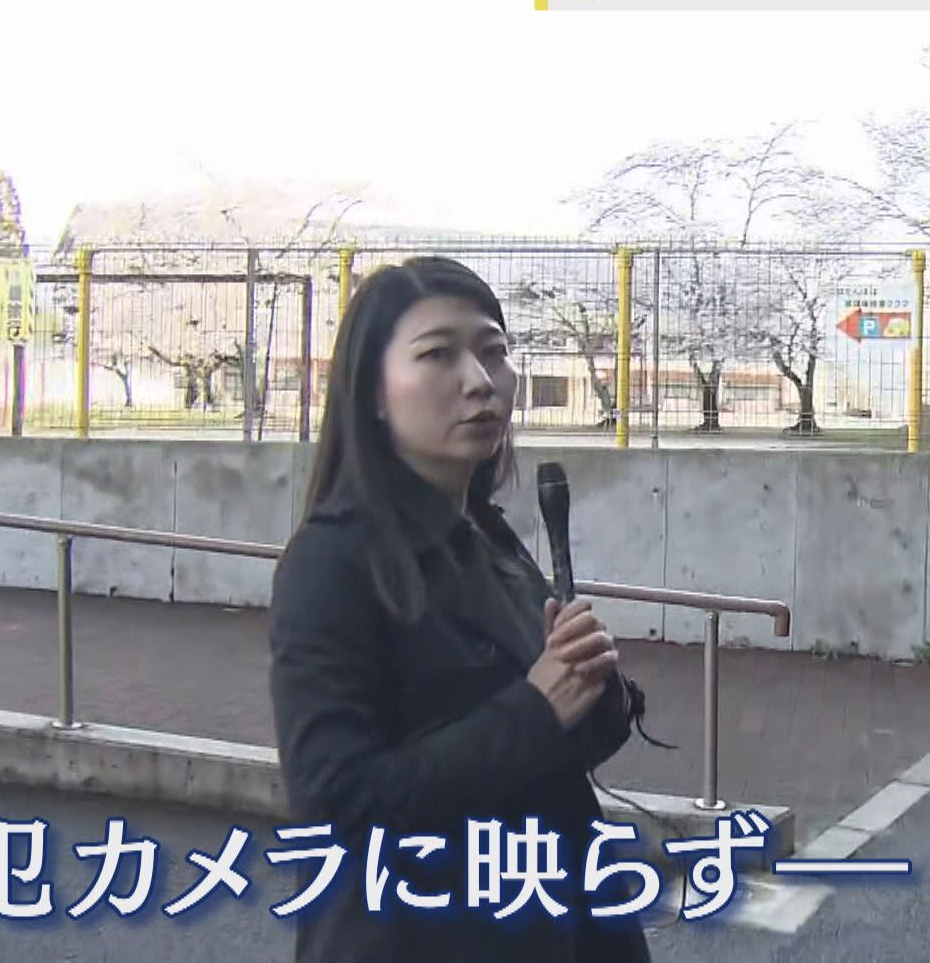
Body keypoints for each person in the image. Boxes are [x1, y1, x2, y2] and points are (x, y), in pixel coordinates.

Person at [268, 256, 654, 962]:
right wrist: (538, 707)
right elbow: (339, 805)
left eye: (494, 352)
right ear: (373, 392)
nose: (480, 381)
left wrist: (594, 687)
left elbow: (553, 749)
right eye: (438, 354)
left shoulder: (487, 534)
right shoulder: (332, 562)